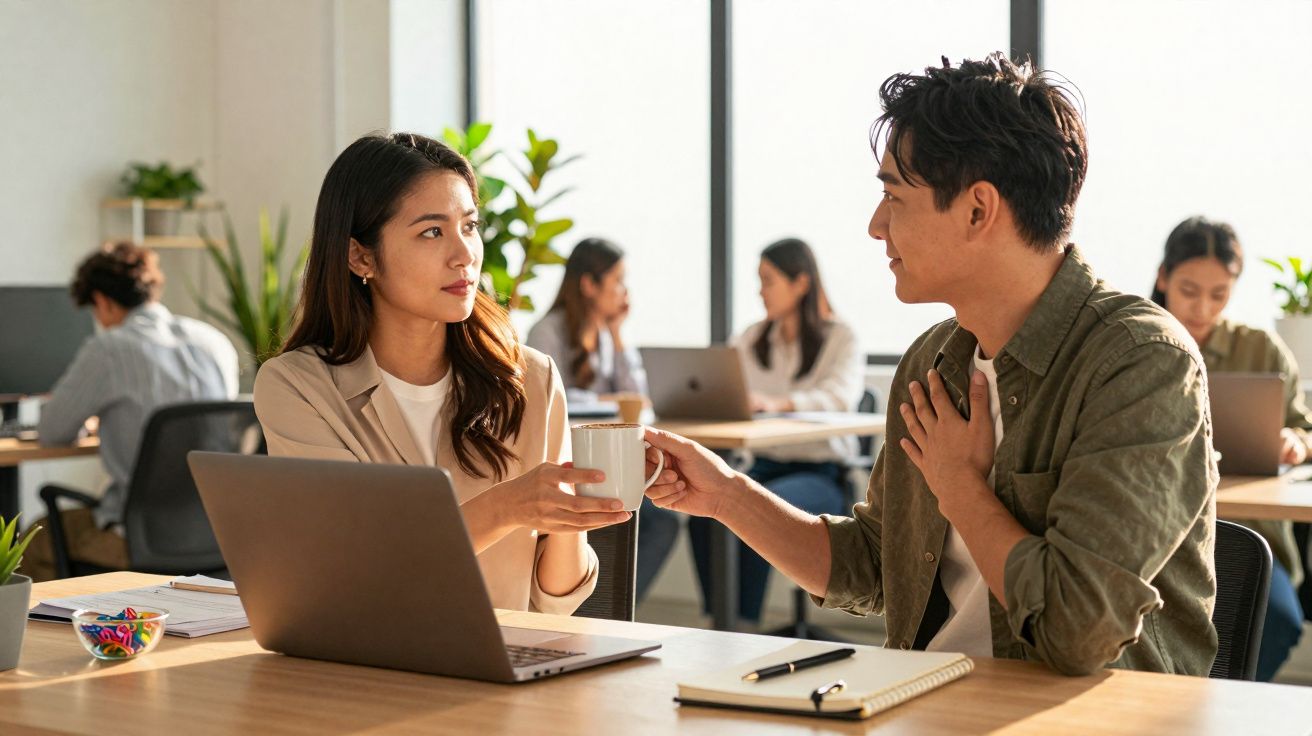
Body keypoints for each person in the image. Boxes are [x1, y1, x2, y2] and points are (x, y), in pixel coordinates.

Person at [642, 53, 1217, 676]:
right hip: (928, 699)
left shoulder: (1141, 362)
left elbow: (1077, 630)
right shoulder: (932, 360)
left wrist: (960, 486)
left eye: (893, 195)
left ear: (977, 209)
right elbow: (876, 567)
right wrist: (726, 496)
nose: (875, 225)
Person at [254, 132, 637, 614]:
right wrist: (507, 506)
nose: (464, 254)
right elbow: (353, 572)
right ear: (361, 256)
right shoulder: (298, 388)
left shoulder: (531, 379)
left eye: (470, 226)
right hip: (368, 667)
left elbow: (554, 603)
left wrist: (569, 518)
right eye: (432, 232)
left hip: (507, 665)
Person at [23, 242, 239, 581]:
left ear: (101, 301)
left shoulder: (110, 348)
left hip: (138, 537)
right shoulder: (213, 340)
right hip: (217, 533)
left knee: (33, 537)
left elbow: (53, 430)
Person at [1152, 215, 1307, 680]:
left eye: (1218, 294)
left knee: (1276, 620)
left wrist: (1294, 442)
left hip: (1248, 531)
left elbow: (1303, 427)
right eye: (1189, 290)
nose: (1202, 307)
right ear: (1163, 278)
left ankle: (1220, 710)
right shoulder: (1130, 341)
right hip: (1157, 527)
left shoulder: (1261, 349)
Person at [687, 237, 863, 627]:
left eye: (768, 280)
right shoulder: (752, 338)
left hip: (819, 472)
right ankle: (723, 620)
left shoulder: (841, 337)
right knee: (702, 509)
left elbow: (839, 397)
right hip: (761, 463)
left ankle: (742, 623)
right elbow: (723, 382)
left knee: (754, 508)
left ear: (800, 283)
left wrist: (777, 402)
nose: (760, 291)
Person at [526, 238, 677, 603]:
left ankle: (614, 602)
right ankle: (593, 600)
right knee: (647, 517)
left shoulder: (606, 335)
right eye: (618, 281)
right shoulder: (547, 331)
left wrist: (618, 333)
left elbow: (635, 399)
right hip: (565, 455)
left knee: (662, 520)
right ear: (589, 285)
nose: (625, 292)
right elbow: (549, 395)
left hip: (605, 457)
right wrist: (603, 399)